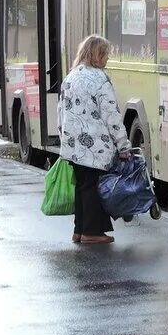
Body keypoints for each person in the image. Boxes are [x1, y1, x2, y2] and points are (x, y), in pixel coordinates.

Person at [57, 35, 131, 245]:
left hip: (73, 145)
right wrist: (123, 145)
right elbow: (111, 115)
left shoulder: (71, 77)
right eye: (106, 54)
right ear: (98, 55)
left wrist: (64, 137)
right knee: (92, 187)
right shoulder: (100, 79)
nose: (107, 59)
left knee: (82, 186)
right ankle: (92, 232)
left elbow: (61, 110)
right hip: (94, 146)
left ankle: (79, 230)